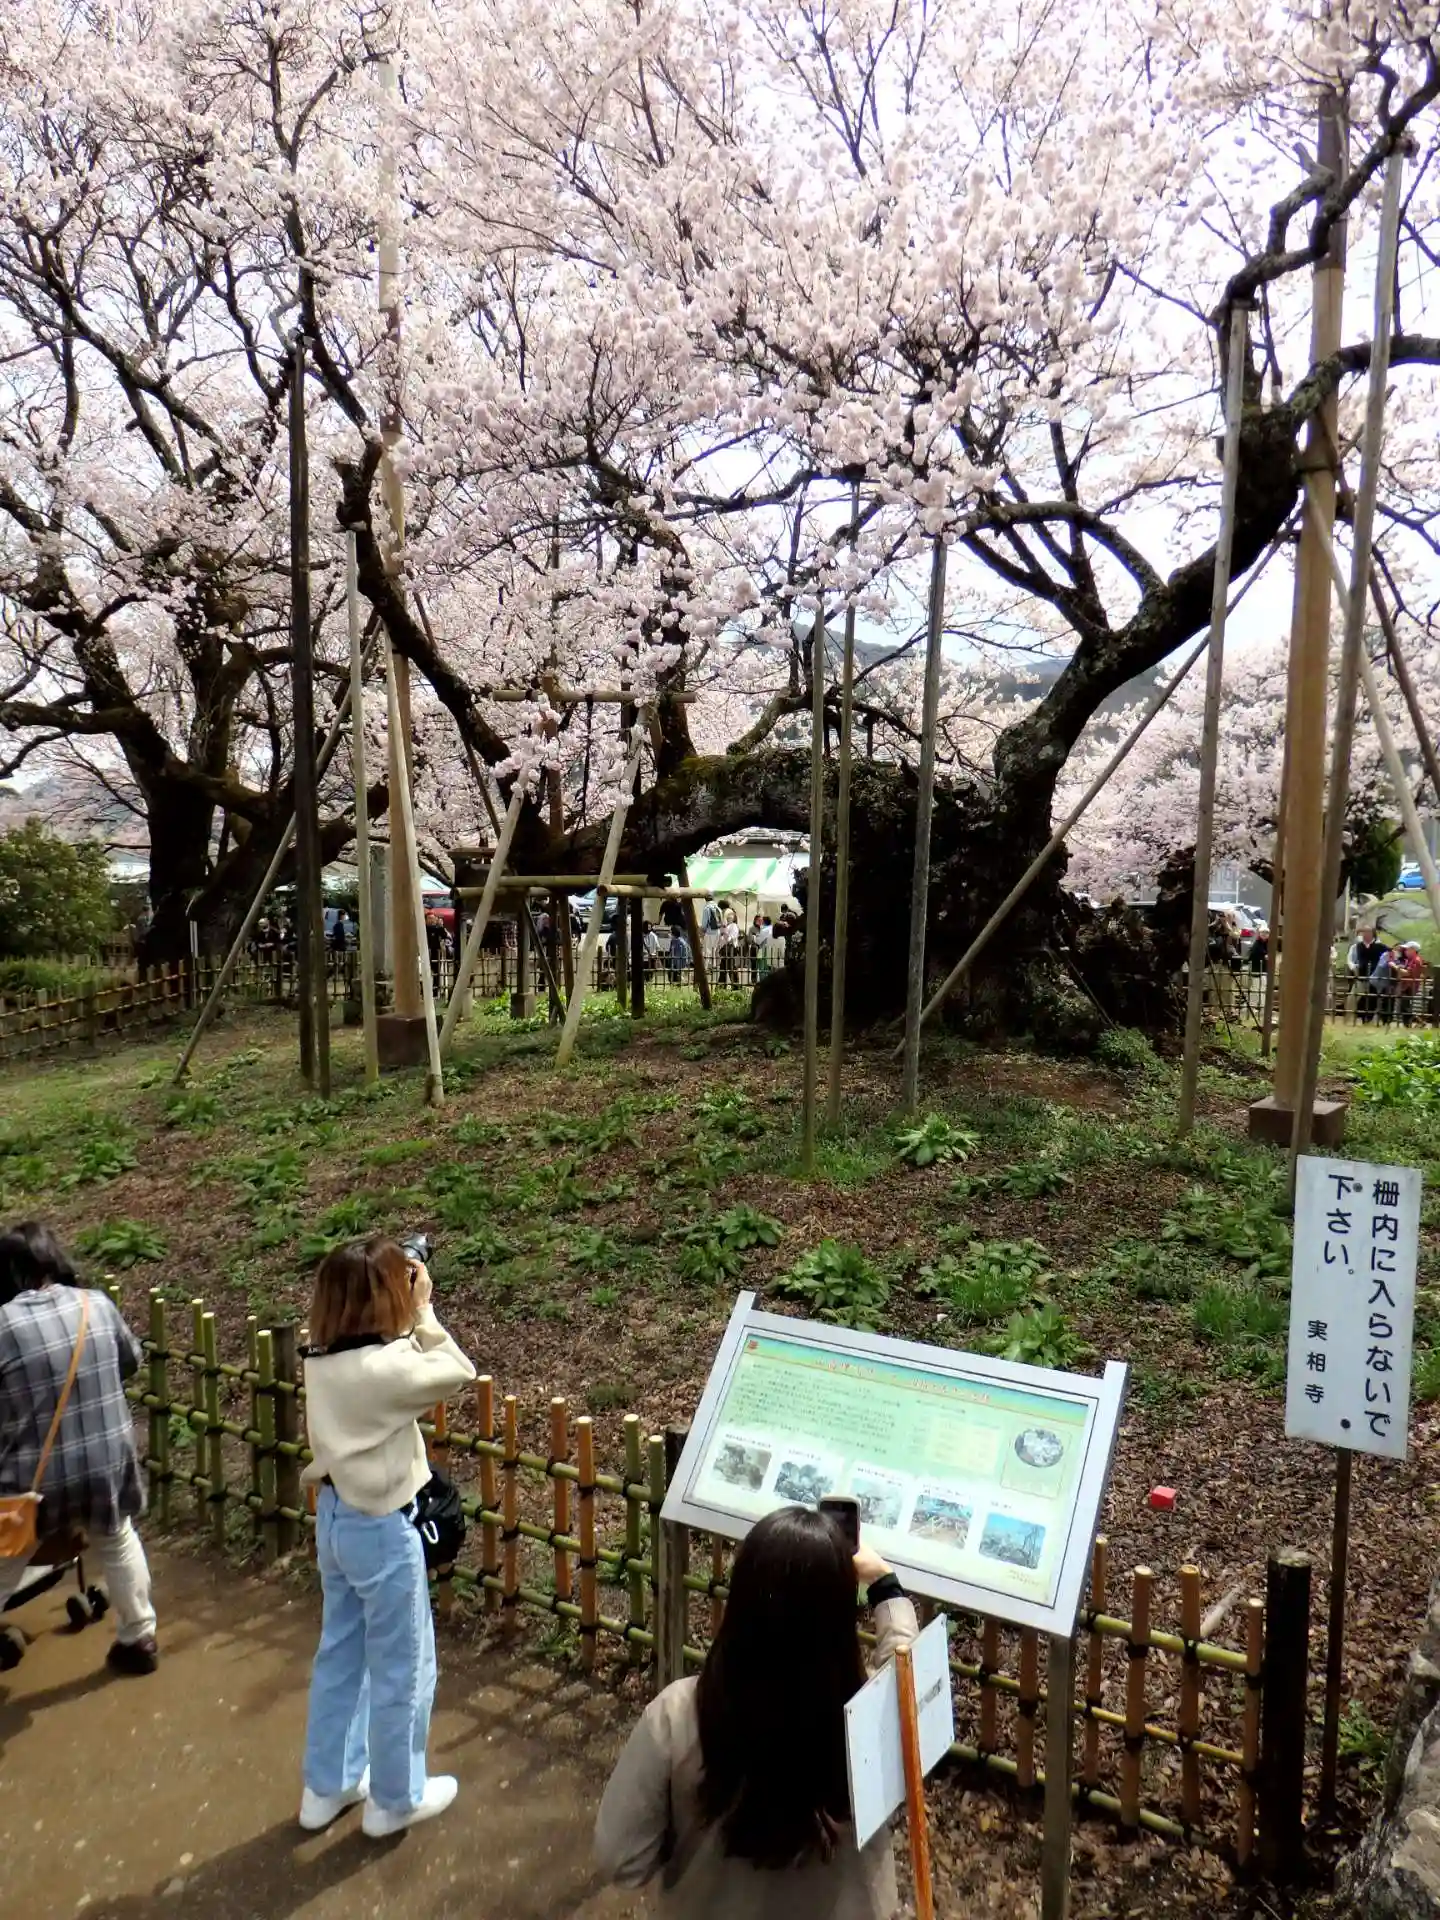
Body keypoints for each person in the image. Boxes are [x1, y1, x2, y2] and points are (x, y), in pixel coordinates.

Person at [595, 1505, 918, 1916]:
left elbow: (621, 1859)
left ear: (740, 1602)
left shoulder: (678, 1715)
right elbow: (904, 1670)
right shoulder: (869, 1716)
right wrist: (886, 1587)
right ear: (840, 1620)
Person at [299, 1235, 477, 1839]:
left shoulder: (322, 1358)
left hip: (336, 1520)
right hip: (381, 1529)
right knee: (405, 1664)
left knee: (341, 1653)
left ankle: (327, 1786)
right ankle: (395, 1799)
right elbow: (455, 1370)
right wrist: (423, 1309)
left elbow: (381, 1356)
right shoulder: (384, 1369)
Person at [0, 1223, 157, 1672]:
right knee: (118, 1537)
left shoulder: (4, 1324)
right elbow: (130, 1362)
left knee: (6, 1558)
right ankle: (140, 1638)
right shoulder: (96, 1305)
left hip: (33, 1479)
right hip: (106, 1464)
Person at [1350, 926, 1390, 1023]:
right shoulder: (1358, 946)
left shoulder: (1380, 946)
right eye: (1364, 932)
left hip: (1375, 977)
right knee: (1353, 997)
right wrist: (1354, 968)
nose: (1365, 934)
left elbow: (1389, 955)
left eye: (1368, 932)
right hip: (1361, 976)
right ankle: (1352, 1017)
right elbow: (1352, 959)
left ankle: (1369, 1019)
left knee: (1372, 998)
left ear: (1373, 934)